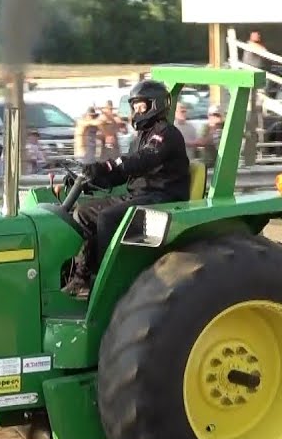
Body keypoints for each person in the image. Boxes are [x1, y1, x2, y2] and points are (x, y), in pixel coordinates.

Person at [62, 79, 190, 298]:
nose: (137, 111)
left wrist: (106, 164)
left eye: (142, 106)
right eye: (135, 106)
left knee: (107, 218)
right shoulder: (140, 137)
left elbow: (143, 160)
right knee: (82, 213)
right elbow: (124, 173)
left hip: (163, 197)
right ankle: (80, 277)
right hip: (140, 194)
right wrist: (90, 181)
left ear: (156, 105)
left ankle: (105, 282)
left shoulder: (166, 134)